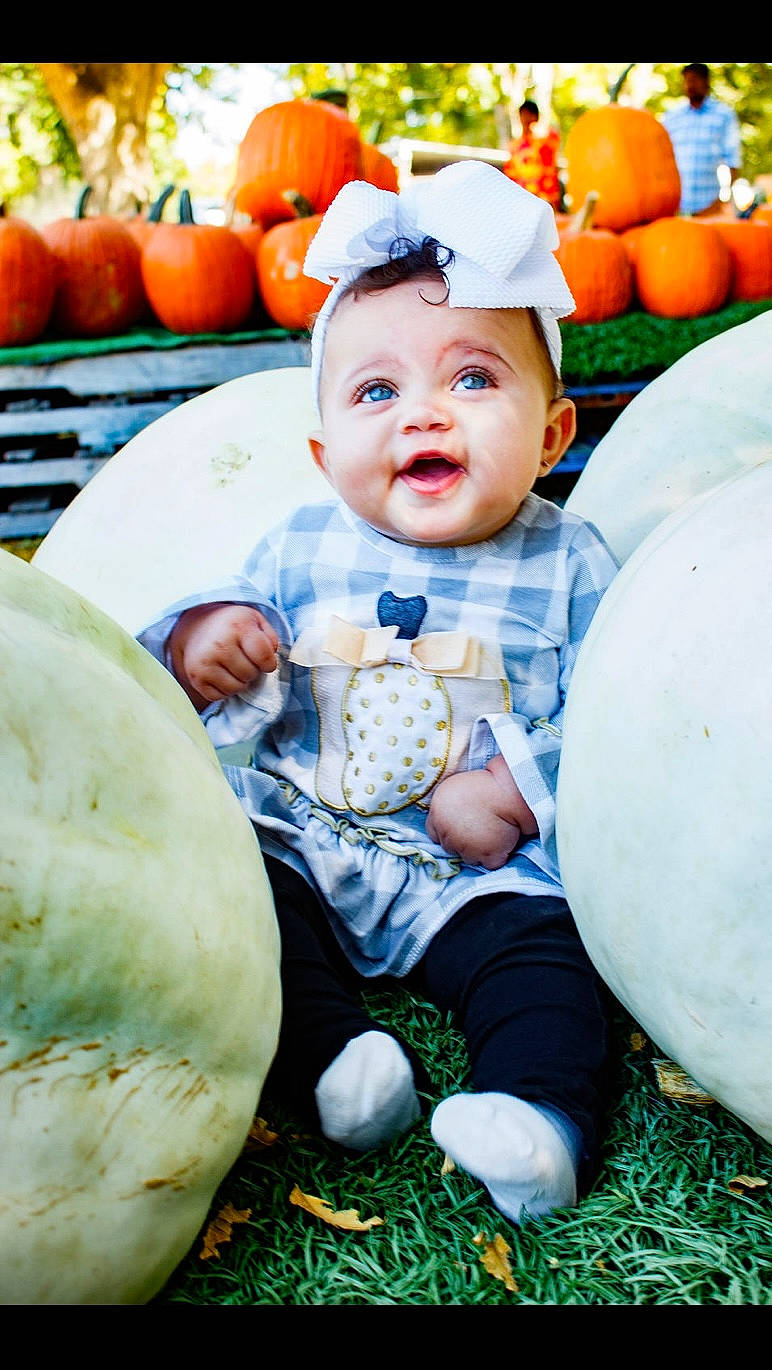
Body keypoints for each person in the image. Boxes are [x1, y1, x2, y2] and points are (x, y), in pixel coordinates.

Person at [136, 161, 619, 1225]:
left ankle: (538, 1115)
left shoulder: (574, 559)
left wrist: (516, 784)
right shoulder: (299, 543)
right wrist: (208, 640)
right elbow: (223, 639)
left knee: (548, 959)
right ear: (325, 453)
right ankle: (338, 1065)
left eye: (474, 379)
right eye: (377, 392)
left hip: (477, 873)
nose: (425, 416)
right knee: (245, 909)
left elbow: (623, 715)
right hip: (309, 835)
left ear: (551, 434)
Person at [662, 63, 742, 217]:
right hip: (676, 208)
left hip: (710, 207)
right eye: (687, 80)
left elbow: (733, 161)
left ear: (706, 81)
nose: (690, 85)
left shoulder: (723, 115)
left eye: (695, 80)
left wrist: (721, 201)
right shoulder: (672, 116)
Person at [503, 98, 562, 210]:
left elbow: (549, 166)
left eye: (530, 115)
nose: (526, 119)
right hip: (522, 197)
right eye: (523, 115)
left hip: (543, 196)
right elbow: (510, 172)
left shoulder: (545, 140)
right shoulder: (515, 145)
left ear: (536, 117)